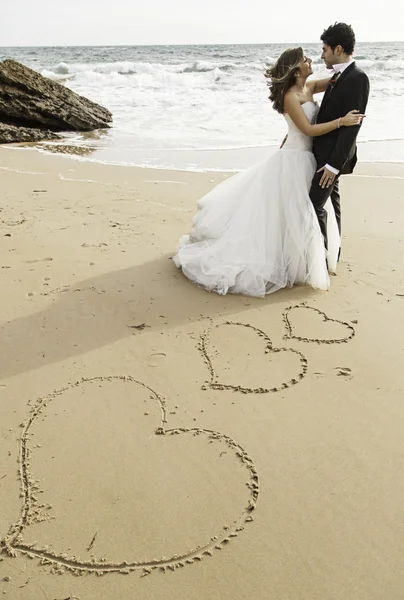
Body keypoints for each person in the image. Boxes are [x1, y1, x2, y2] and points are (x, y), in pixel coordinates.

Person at [173, 47, 364, 298]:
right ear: (295, 70)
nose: (310, 61)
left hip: (308, 158)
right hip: (294, 160)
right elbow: (306, 130)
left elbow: (341, 77)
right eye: (304, 59)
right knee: (292, 213)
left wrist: (347, 59)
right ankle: (294, 263)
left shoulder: (310, 86)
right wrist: (341, 122)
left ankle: (308, 259)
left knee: (300, 213)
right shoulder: (289, 96)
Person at [309, 22, 370, 256]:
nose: (322, 54)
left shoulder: (357, 78)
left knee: (314, 204)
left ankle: (323, 258)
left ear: (338, 49)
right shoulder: (337, 76)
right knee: (332, 205)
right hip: (323, 153)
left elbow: (352, 127)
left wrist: (334, 165)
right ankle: (334, 253)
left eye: (324, 49)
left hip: (333, 158)